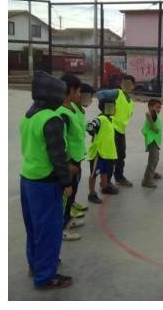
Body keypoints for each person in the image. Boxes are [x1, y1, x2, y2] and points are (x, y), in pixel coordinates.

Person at [19, 71, 73, 289]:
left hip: (27, 179)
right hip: (45, 182)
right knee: (50, 231)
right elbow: (57, 157)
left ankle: (35, 265)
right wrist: (67, 182)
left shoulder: (29, 116)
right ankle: (45, 276)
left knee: (34, 228)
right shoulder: (51, 119)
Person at [57, 75, 94, 241]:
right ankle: (61, 227)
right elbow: (60, 142)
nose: (81, 94)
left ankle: (68, 219)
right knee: (65, 196)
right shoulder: (62, 113)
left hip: (76, 158)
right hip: (70, 162)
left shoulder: (72, 109)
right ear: (71, 90)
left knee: (72, 193)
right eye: (79, 91)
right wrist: (66, 163)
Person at [97, 74, 136, 187]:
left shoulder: (131, 102)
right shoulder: (116, 93)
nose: (127, 86)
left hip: (121, 131)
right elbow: (100, 94)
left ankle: (119, 177)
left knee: (121, 155)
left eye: (129, 84)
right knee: (110, 156)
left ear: (133, 86)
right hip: (111, 129)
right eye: (125, 83)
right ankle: (106, 181)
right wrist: (107, 108)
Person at [86, 96, 118, 202]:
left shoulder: (110, 120)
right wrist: (93, 133)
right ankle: (91, 193)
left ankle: (105, 187)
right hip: (98, 153)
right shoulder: (101, 119)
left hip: (106, 154)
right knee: (94, 174)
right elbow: (89, 126)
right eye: (112, 107)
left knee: (104, 172)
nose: (115, 108)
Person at [141, 99, 163, 188]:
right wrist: (154, 127)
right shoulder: (151, 114)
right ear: (150, 107)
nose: (159, 109)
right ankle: (147, 180)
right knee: (153, 159)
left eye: (160, 108)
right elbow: (147, 114)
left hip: (156, 140)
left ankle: (152, 172)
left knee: (156, 158)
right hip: (152, 140)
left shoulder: (156, 115)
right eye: (157, 107)